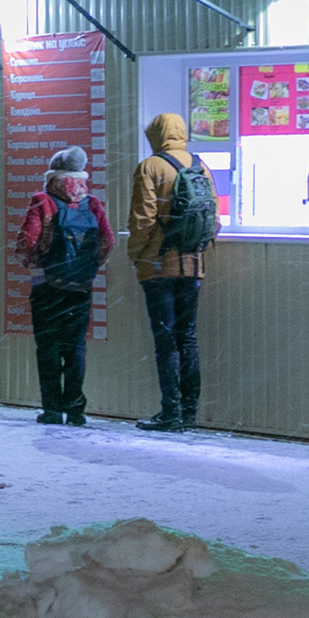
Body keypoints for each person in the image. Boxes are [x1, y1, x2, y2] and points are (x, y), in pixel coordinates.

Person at [126, 112, 215, 431]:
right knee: (187, 337)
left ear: (156, 134)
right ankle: (189, 412)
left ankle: (171, 412)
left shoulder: (150, 167)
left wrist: (137, 254)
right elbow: (214, 220)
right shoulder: (201, 166)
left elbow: (143, 221)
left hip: (158, 267)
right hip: (193, 265)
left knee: (166, 341)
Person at [12, 146, 113, 426]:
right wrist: (85, 268)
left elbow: (27, 243)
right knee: (75, 347)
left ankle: (53, 409)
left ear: (52, 176)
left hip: (47, 286)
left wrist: (38, 264)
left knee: (48, 348)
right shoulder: (92, 203)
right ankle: (76, 410)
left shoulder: (42, 201)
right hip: (80, 286)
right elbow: (107, 241)